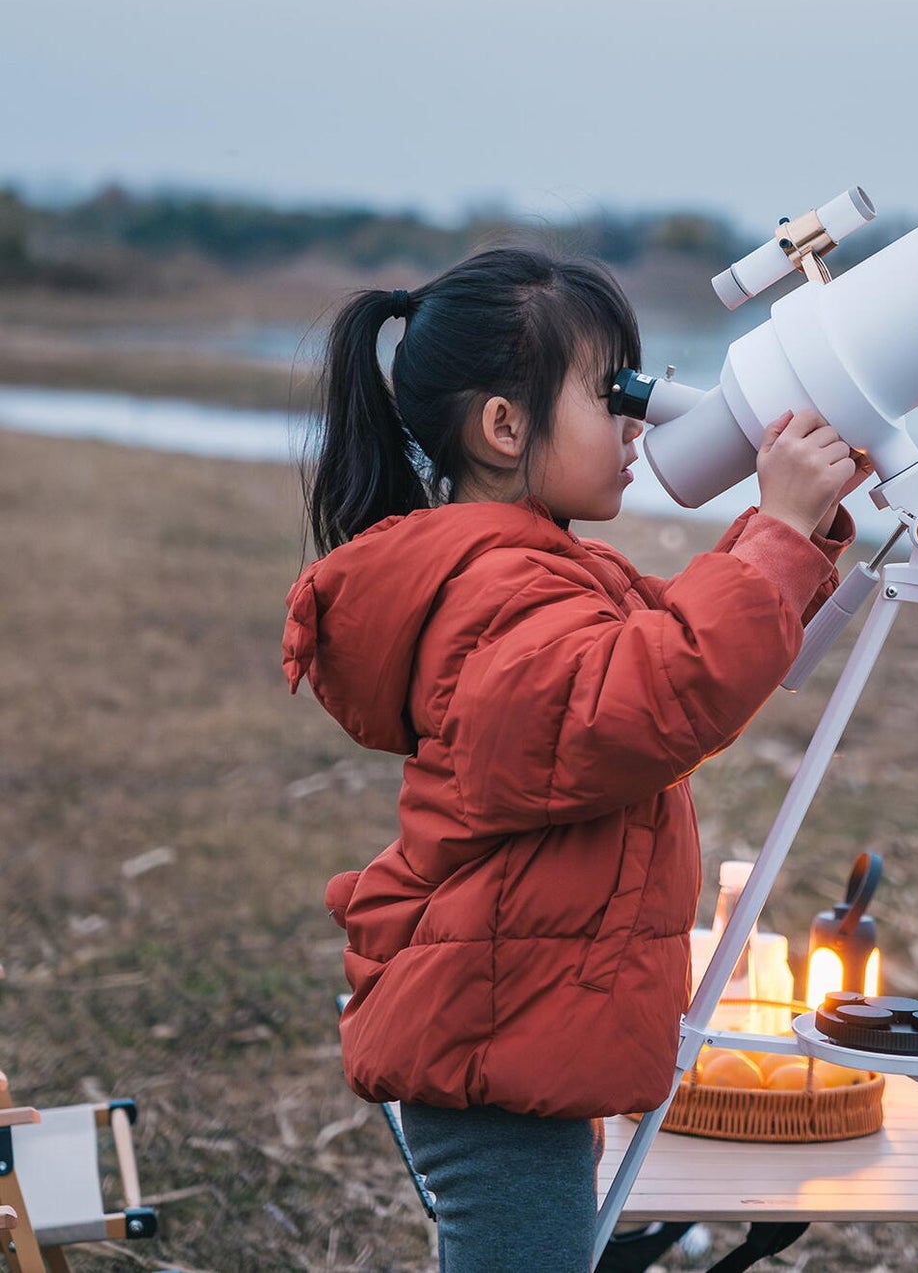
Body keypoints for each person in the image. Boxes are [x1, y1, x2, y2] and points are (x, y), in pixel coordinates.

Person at [281, 247, 865, 1272]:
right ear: (505, 426)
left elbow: (668, 636)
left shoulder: (526, 570)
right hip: (490, 1041)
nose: (638, 422)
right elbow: (647, 695)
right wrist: (771, 527)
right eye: (612, 395)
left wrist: (789, 540)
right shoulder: (495, 592)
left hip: (514, 1016)